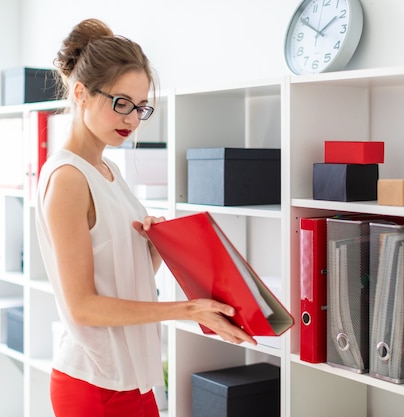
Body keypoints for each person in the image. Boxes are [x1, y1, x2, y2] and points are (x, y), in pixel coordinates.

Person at [35, 18, 256, 417]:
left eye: (141, 107)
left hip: (132, 376)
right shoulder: (67, 178)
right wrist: (188, 310)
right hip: (93, 383)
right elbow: (84, 305)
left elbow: (119, 276)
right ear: (81, 93)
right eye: (121, 103)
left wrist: (154, 249)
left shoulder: (109, 172)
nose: (133, 120)